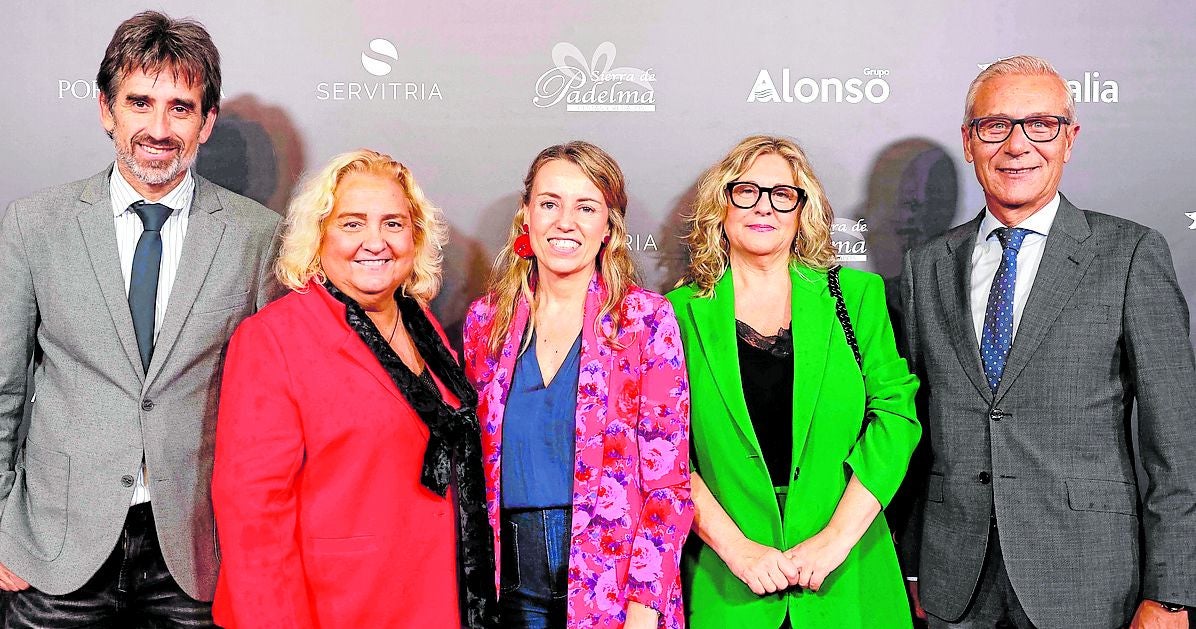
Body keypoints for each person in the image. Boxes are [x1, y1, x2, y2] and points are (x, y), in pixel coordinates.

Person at [0, 11, 281, 626]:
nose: (158, 128)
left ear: (207, 122)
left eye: (180, 108)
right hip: (52, 550)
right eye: (139, 102)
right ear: (106, 109)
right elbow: (3, 389)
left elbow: (274, 417)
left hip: (197, 556)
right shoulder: (34, 225)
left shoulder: (259, 238)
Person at [900, 55, 1196, 629]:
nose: (1017, 145)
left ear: (1069, 139)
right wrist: (912, 566)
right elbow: (916, 431)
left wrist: (1172, 593)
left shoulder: (1130, 254)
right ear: (968, 140)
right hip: (953, 584)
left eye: (1040, 124)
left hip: (1088, 581)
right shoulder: (926, 266)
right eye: (995, 126)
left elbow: (1176, 443)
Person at [211, 149, 497, 628]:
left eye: (393, 223)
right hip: (338, 609)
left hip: (437, 603)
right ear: (319, 235)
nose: (375, 241)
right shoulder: (273, 339)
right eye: (352, 223)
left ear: (415, 237)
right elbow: (253, 520)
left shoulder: (421, 324)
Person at [667, 134, 921, 628]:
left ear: (802, 209)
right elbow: (661, 451)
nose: (765, 207)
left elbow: (896, 417)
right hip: (726, 584)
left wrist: (835, 541)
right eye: (748, 191)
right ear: (722, 203)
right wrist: (737, 551)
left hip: (847, 578)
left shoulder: (857, 296)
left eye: (783, 194)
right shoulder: (675, 315)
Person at [462, 141, 692, 629]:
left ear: (608, 225)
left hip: (613, 578)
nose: (565, 221)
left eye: (586, 207)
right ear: (527, 216)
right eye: (550, 203)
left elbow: (668, 484)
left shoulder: (644, 321)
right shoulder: (487, 324)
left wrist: (644, 608)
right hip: (511, 582)